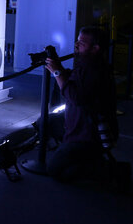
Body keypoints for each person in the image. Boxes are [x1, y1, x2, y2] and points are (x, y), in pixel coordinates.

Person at [43, 26, 122, 184]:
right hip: (79, 126)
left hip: (88, 135)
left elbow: (75, 97)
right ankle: (77, 155)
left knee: (54, 169)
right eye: (77, 41)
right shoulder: (87, 64)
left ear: (95, 48)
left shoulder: (94, 69)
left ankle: (104, 169)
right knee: (44, 123)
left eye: (82, 43)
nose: (76, 45)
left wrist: (57, 72)